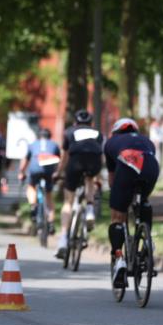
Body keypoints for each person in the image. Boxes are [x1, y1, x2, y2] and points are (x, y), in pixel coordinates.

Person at [103, 117, 160, 290]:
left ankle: (119, 259)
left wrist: (119, 200)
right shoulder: (147, 141)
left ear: (116, 131)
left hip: (128, 164)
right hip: (151, 166)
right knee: (143, 200)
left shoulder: (111, 143)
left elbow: (112, 179)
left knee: (117, 217)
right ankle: (148, 241)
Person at [55, 109, 104, 259]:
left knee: (68, 202)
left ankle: (63, 239)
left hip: (75, 163)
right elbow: (99, 154)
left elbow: (65, 156)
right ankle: (89, 209)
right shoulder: (98, 133)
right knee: (89, 179)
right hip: (93, 162)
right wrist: (98, 176)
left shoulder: (69, 132)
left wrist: (58, 172)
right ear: (91, 123)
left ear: (75, 122)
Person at [17, 127, 61, 234]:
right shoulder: (54, 145)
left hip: (35, 167)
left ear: (39, 136)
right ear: (49, 137)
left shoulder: (32, 144)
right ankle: (50, 223)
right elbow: (59, 160)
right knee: (49, 195)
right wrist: (57, 173)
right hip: (49, 169)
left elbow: (25, 160)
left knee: (31, 186)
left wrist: (21, 173)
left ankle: (33, 206)